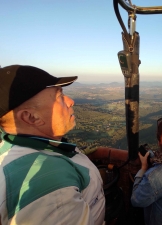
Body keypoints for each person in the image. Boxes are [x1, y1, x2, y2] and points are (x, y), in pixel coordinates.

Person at [0, 65, 105, 225]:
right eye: (59, 97)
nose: (71, 101)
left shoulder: (13, 145)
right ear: (30, 117)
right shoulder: (50, 183)